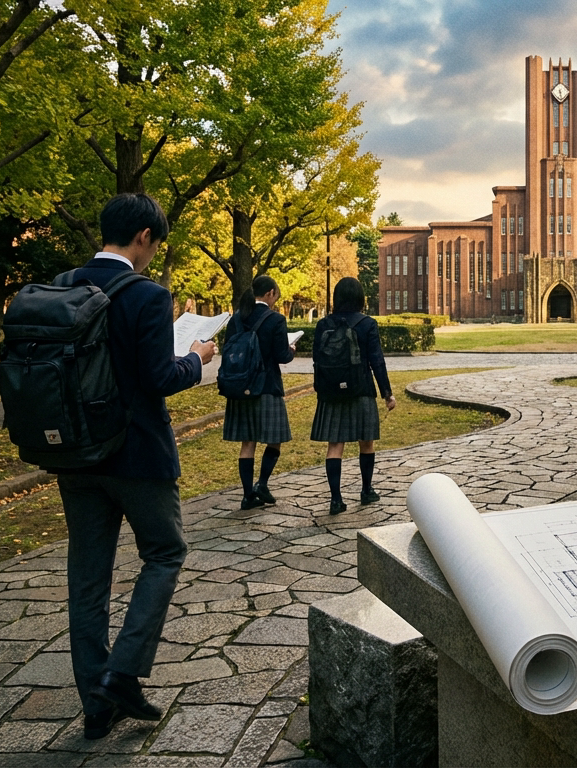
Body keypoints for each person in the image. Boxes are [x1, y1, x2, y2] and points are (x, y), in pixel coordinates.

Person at [56, 194, 216, 740]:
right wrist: (197, 358)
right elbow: (159, 379)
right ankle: (121, 674)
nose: (153, 255)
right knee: (165, 551)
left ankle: (95, 704)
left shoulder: (64, 284)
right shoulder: (148, 296)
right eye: (155, 244)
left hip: (75, 456)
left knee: (87, 578)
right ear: (144, 236)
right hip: (137, 455)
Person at [312, 277, 396, 514]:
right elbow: (377, 361)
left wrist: (321, 389)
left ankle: (336, 499)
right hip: (361, 390)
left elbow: (317, 361)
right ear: (360, 298)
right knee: (365, 442)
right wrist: (387, 393)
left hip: (331, 393)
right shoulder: (367, 324)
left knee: (335, 445)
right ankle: (367, 490)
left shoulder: (323, 324)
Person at [223, 275, 296, 509]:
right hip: (267, 387)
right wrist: (291, 349)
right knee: (275, 440)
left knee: (248, 443)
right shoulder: (275, 319)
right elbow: (282, 356)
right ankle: (262, 483)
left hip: (240, 385)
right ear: (270, 293)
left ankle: (247, 496)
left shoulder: (237, 318)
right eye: (276, 297)